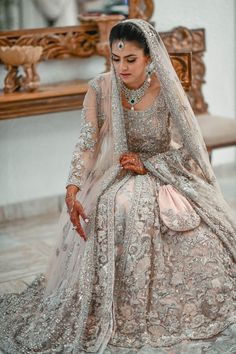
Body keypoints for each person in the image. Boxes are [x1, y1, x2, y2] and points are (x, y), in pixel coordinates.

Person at [0, 19, 236, 354]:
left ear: (149, 58)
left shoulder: (165, 89)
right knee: (113, 206)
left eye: (131, 59)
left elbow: (191, 150)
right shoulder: (100, 88)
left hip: (163, 171)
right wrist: (72, 189)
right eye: (115, 59)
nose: (121, 67)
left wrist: (150, 164)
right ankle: (109, 305)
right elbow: (86, 144)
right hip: (117, 172)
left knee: (186, 229)